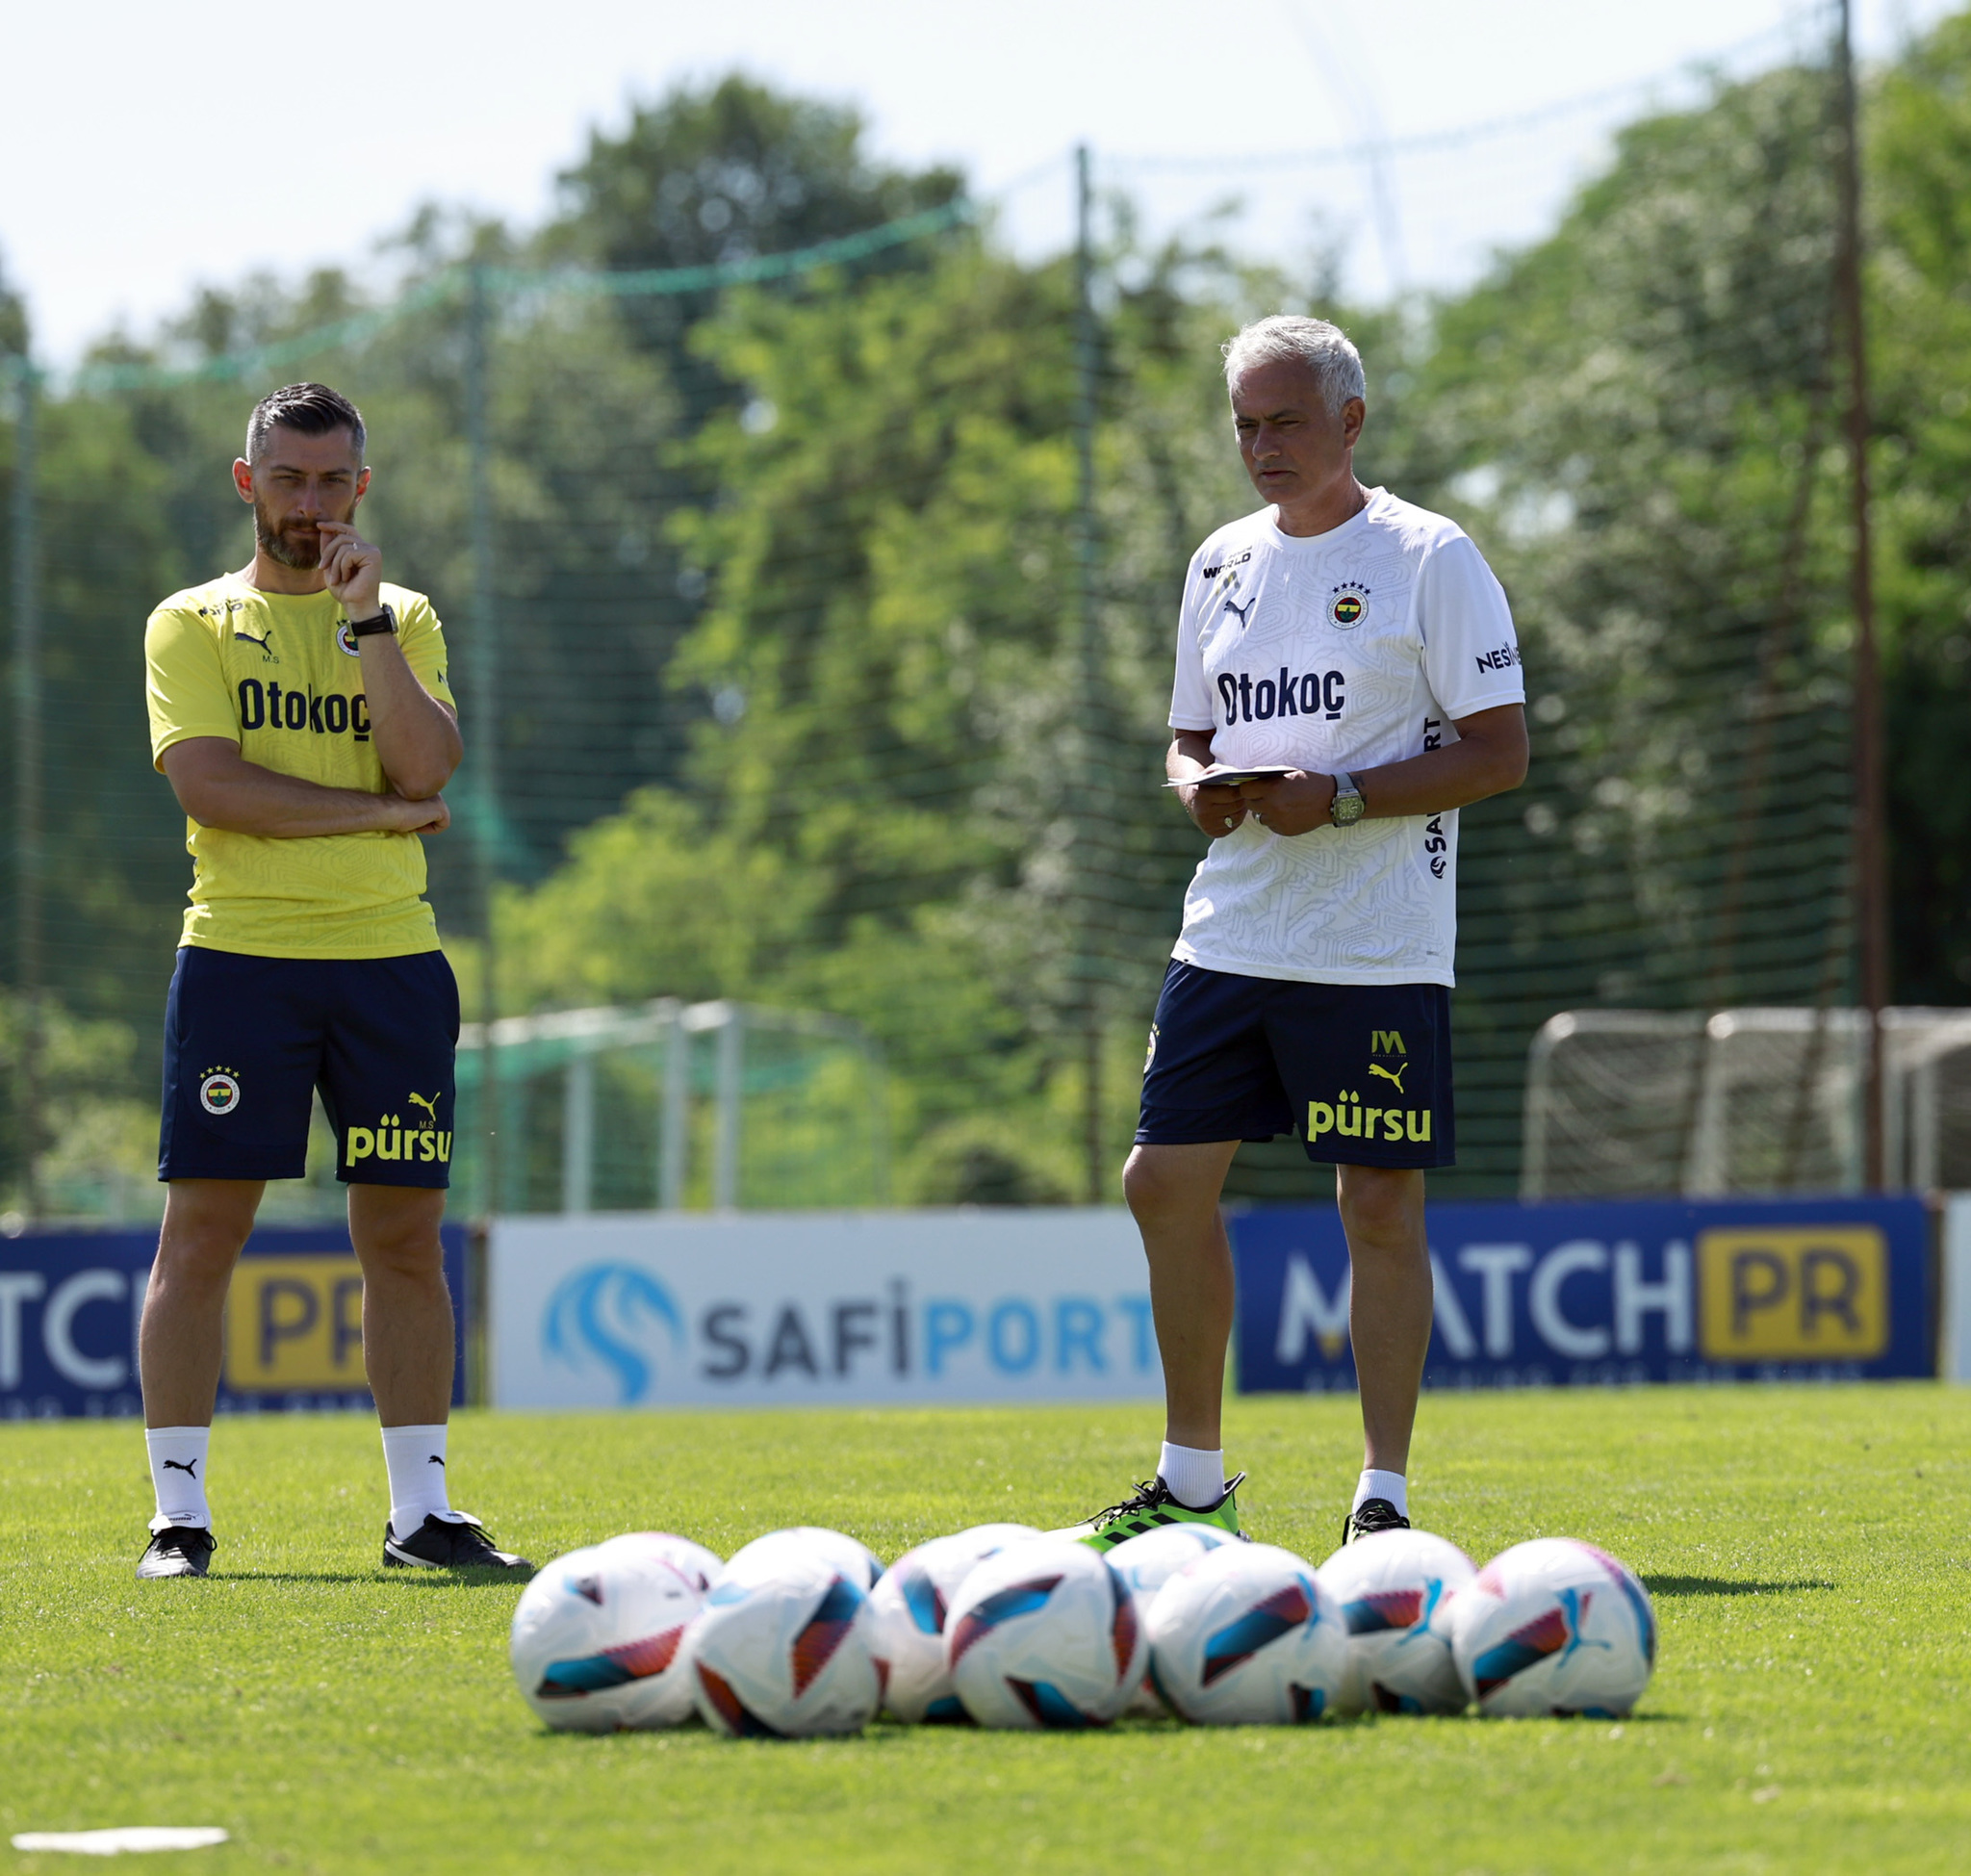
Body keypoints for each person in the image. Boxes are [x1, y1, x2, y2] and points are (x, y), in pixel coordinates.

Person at [1074, 316, 1528, 1551]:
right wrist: (1192, 786)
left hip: (1375, 944)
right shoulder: (1217, 561)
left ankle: (1379, 1497)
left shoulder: (1427, 555)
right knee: (1159, 1181)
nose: (1260, 444)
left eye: (1283, 420)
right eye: (1243, 423)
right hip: (1230, 929)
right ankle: (1189, 1482)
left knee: (1376, 1206)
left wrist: (1334, 797)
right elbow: (1187, 735)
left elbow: (1498, 752)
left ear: (1349, 422)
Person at [136, 381, 529, 1580]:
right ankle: (179, 1517)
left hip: (390, 964)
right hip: (240, 961)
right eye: (290, 479)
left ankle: (421, 1517)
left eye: (334, 480)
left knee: (404, 1237)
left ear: (363, 487)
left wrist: (362, 626)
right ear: (247, 482)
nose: (312, 504)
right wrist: (381, 814)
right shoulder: (191, 622)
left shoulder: (400, 618)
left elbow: (428, 759)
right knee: (203, 1234)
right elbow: (214, 786)